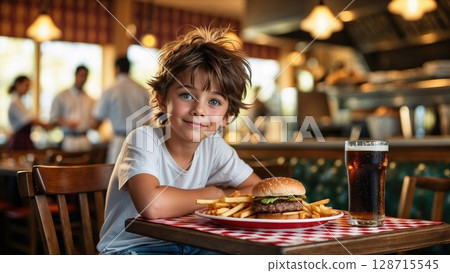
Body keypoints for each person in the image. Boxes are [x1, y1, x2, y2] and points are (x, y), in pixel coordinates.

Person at [97, 26, 261, 255]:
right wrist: (213, 195)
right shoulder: (143, 139)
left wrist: (222, 196)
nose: (199, 110)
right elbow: (152, 205)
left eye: (214, 102)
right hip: (131, 250)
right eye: (186, 95)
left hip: (190, 246)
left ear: (226, 117)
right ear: (163, 101)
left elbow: (256, 188)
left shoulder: (214, 147)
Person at [92, 56, 149, 163]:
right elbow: (152, 118)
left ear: (116, 69)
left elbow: (96, 121)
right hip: (140, 141)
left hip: (119, 140)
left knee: (115, 176)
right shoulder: (142, 90)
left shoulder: (110, 90)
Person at [49, 65, 96, 152]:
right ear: (75, 75)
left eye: (85, 76)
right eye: (81, 75)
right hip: (69, 138)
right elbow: (53, 118)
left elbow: (94, 120)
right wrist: (66, 122)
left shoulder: (90, 100)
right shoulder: (62, 96)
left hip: (84, 138)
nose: (83, 79)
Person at [7, 75, 47, 150]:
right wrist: (45, 125)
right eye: (26, 85)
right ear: (17, 85)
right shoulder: (15, 102)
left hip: (24, 138)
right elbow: (29, 120)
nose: (28, 88)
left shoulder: (19, 101)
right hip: (20, 140)